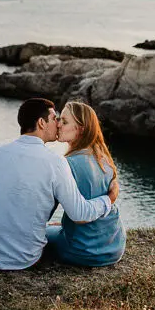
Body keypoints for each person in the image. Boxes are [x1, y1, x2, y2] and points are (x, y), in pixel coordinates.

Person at [0, 98, 118, 270]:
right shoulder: (57, 163)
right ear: (41, 123)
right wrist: (109, 198)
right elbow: (79, 213)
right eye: (55, 119)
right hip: (29, 257)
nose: (58, 124)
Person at [45, 101, 126, 267]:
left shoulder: (66, 164)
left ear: (81, 129)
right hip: (114, 246)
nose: (58, 124)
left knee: (44, 232)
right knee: (56, 227)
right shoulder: (104, 158)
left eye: (65, 122)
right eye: (59, 119)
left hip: (82, 251)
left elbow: (44, 212)